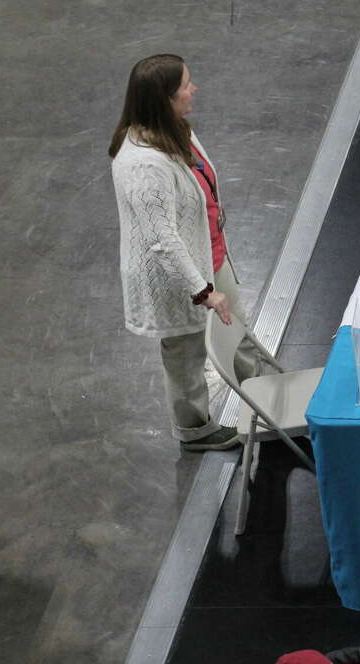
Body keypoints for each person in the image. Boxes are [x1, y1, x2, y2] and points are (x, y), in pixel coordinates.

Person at [109, 54, 256, 452]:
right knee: (187, 356)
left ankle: (264, 401)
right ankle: (195, 430)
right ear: (164, 99)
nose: (194, 90)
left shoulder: (172, 128)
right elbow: (162, 241)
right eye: (186, 86)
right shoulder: (143, 164)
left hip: (210, 254)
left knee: (239, 333)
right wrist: (203, 291)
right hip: (181, 277)